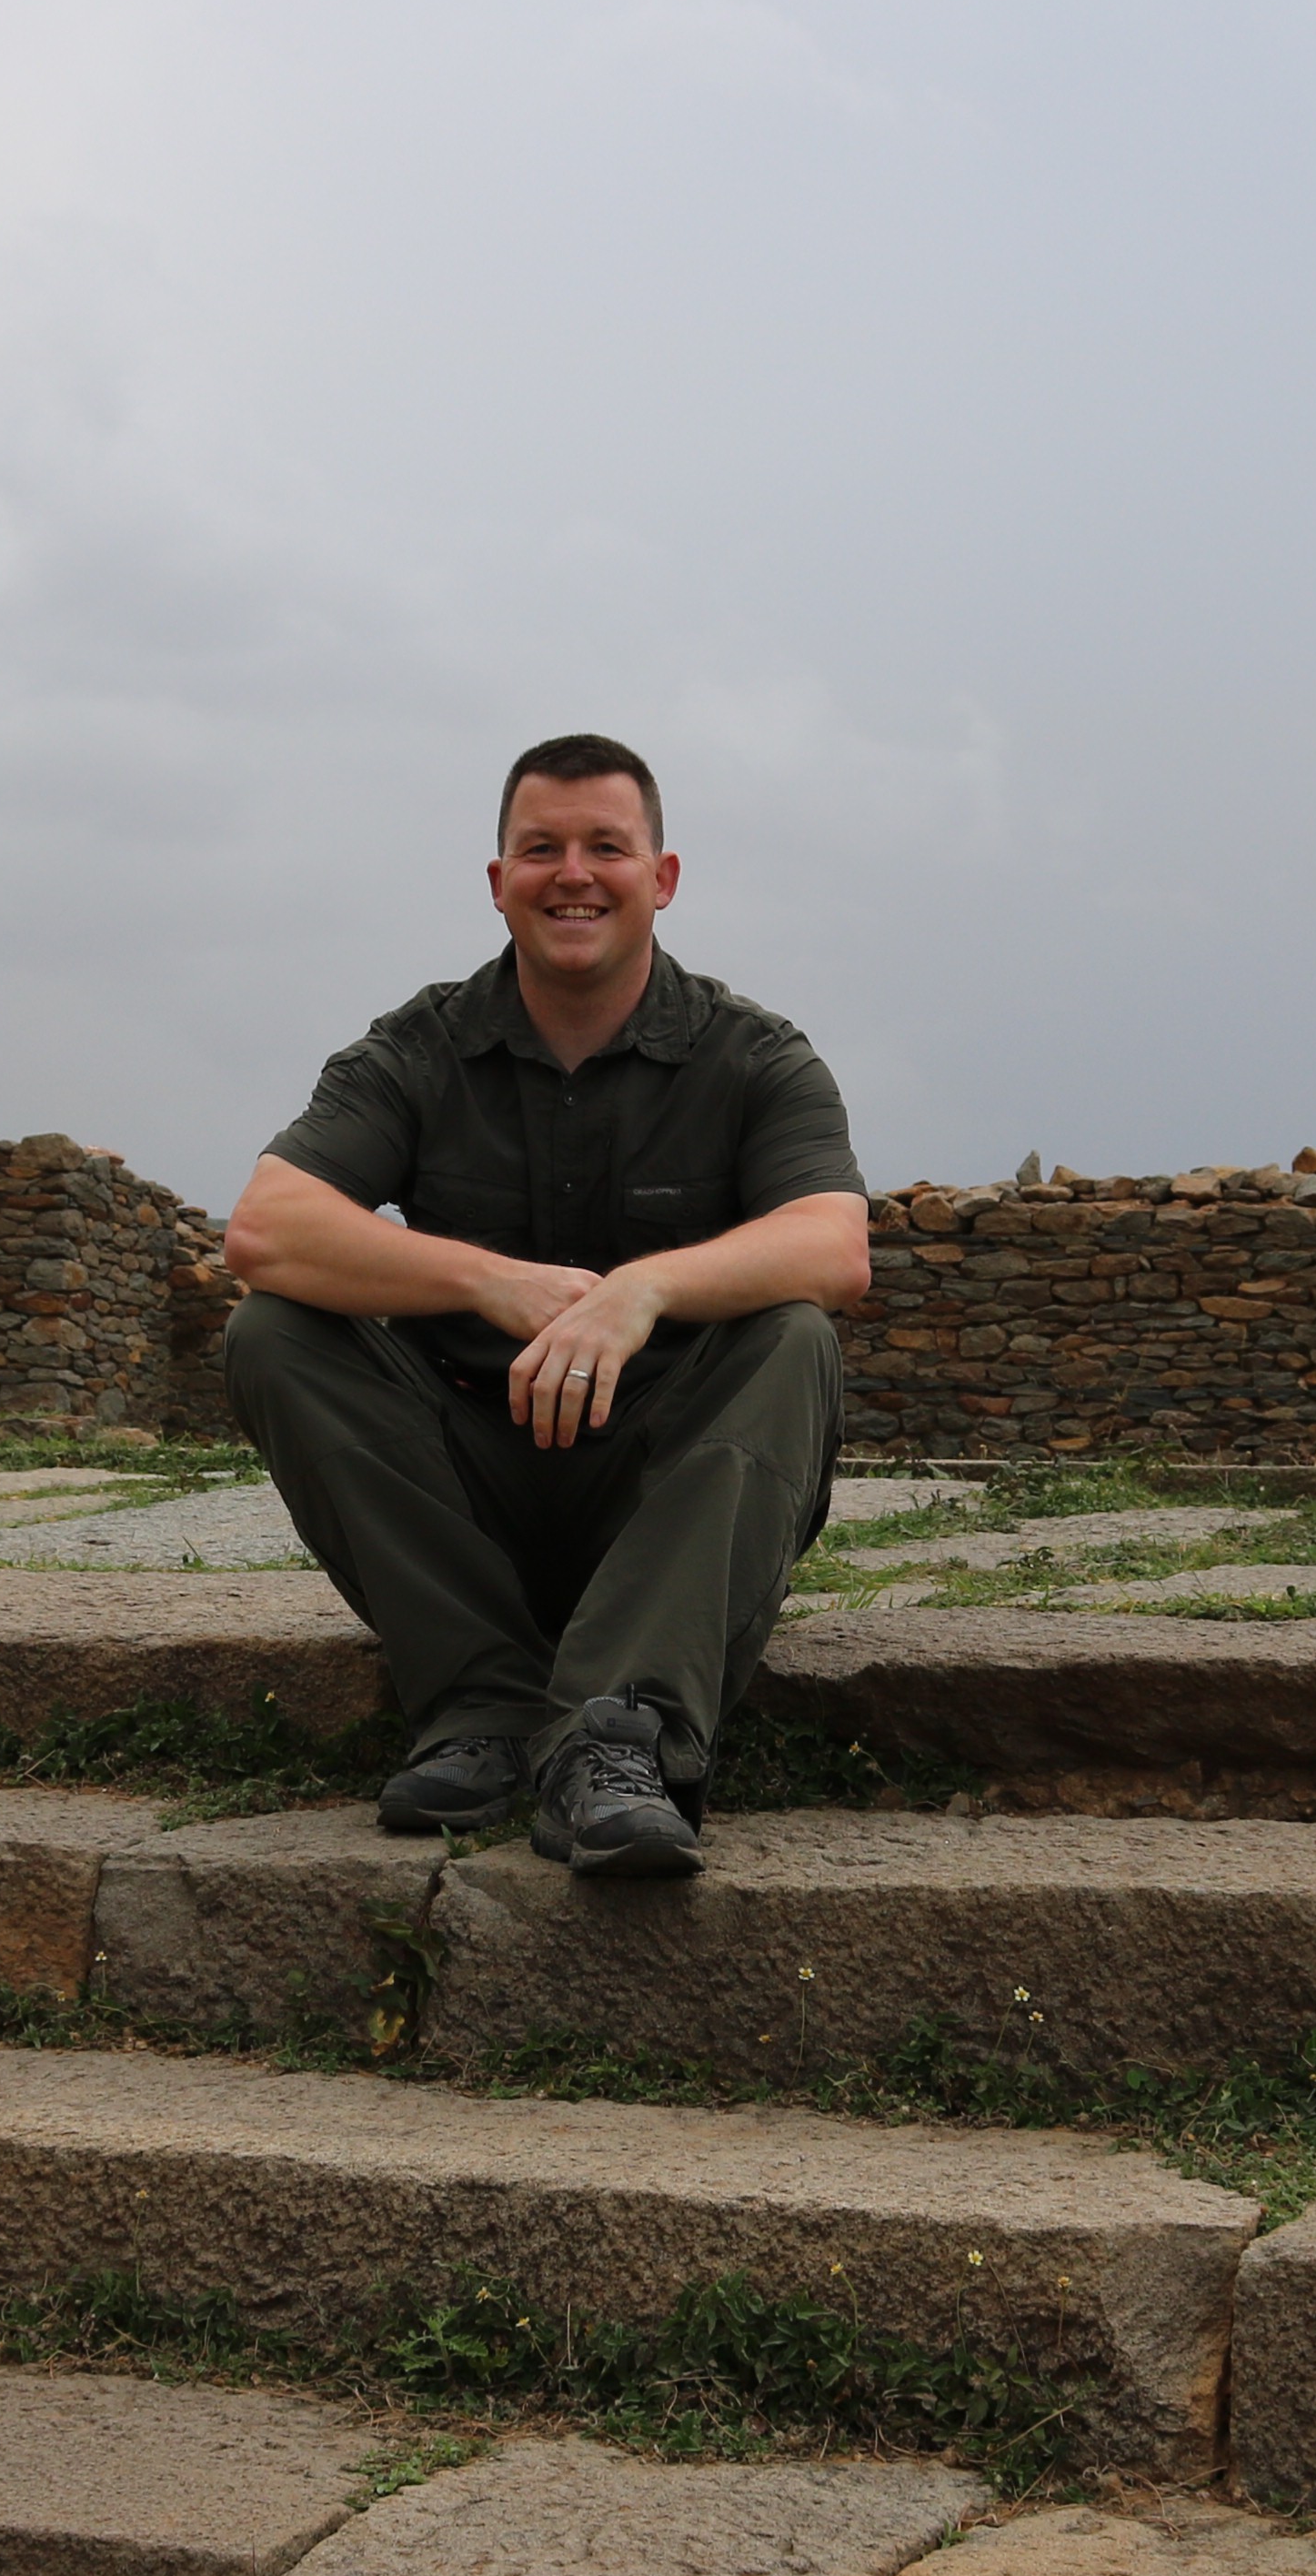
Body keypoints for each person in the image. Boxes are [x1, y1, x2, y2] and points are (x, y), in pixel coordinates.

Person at [219, 734, 869, 1879]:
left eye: (606, 846)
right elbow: (268, 1228)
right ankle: (485, 1706)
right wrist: (490, 1279)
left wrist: (645, 1288)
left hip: (669, 1503)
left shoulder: (757, 1057)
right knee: (272, 1327)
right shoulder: (415, 1050)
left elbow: (833, 1245)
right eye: (541, 849)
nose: (573, 872)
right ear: (498, 881)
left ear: (660, 878)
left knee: (796, 1336)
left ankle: (616, 1740)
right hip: (466, 1492)